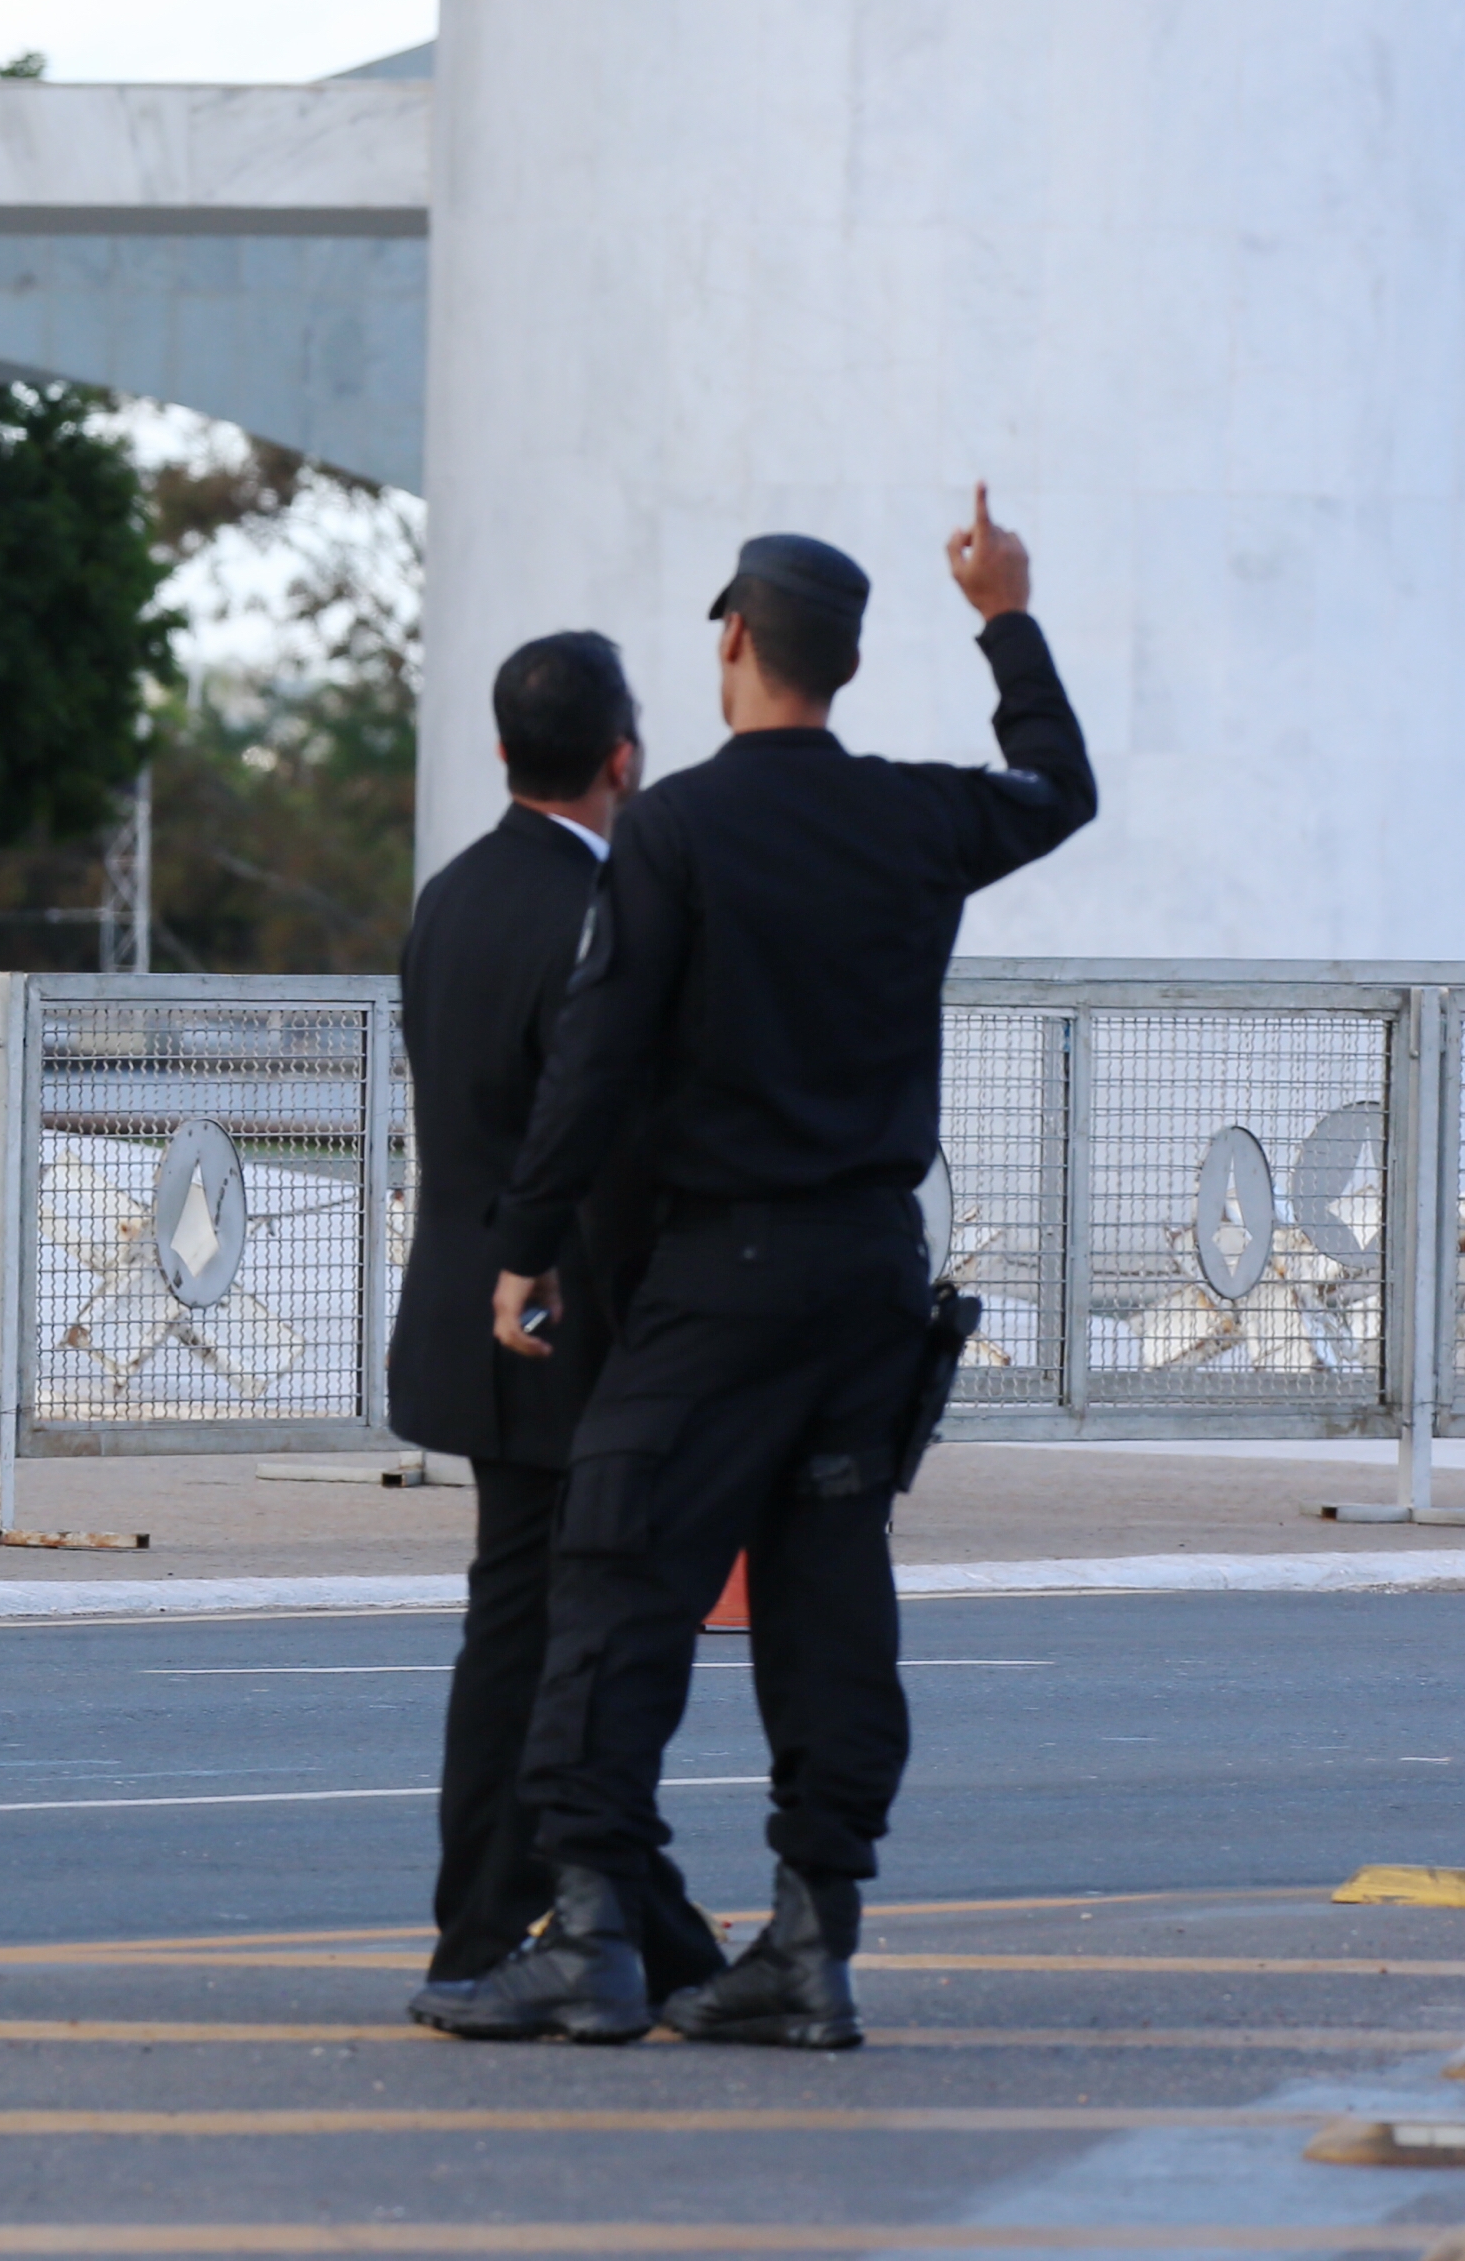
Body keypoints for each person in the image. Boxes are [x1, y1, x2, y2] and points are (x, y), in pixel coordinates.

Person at [423, 493, 1093, 2051]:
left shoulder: (674, 830)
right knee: (827, 1594)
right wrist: (1005, 611)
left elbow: (598, 1059)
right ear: (847, 662)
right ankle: (811, 1941)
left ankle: (589, 1933)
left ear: (732, 639)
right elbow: (1059, 785)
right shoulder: (916, 818)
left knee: (612, 1568)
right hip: (872, 1274)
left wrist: (523, 1248)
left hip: (723, 1272)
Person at [386, 632, 725, 2022]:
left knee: (520, 1629)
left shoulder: (452, 895)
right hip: (559, 1319)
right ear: (623, 758)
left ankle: (594, 1920)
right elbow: (603, 1131)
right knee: (561, 1644)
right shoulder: (600, 913)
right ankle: (501, 1927)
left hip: (469, 1312)